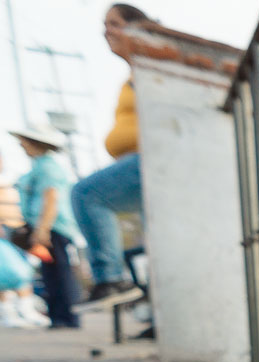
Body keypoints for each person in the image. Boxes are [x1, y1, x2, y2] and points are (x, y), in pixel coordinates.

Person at [70, 3, 152, 312]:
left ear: (136, 27)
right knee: (158, 244)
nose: (106, 31)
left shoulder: (150, 65)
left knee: (87, 194)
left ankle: (111, 278)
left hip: (151, 160)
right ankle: (157, 318)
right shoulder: (133, 72)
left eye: (114, 23)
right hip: (136, 162)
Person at [8, 125, 82, 328]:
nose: (21, 145)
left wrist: (43, 229)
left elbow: (51, 198)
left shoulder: (48, 167)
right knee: (51, 272)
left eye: (24, 141)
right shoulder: (40, 165)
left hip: (53, 227)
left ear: (35, 143)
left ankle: (67, 317)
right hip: (46, 226)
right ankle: (58, 316)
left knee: (59, 272)